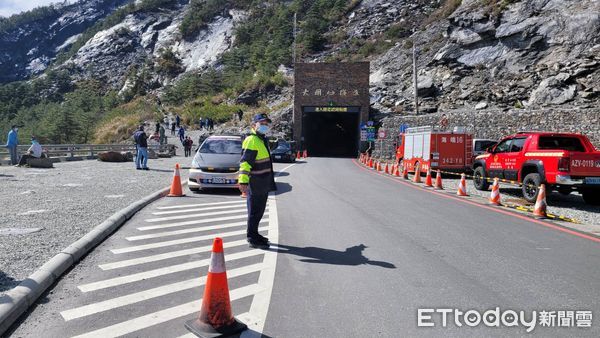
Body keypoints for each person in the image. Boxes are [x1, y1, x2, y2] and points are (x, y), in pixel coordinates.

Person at [239, 113, 277, 249]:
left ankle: (255, 234)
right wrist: (243, 181)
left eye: (267, 123)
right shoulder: (251, 140)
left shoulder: (261, 140)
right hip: (255, 183)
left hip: (263, 183)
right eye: (262, 123)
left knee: (259, 211)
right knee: (254, 212)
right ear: (254, 125)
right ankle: (252, 237)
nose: (265, 125)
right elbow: (245, 162)